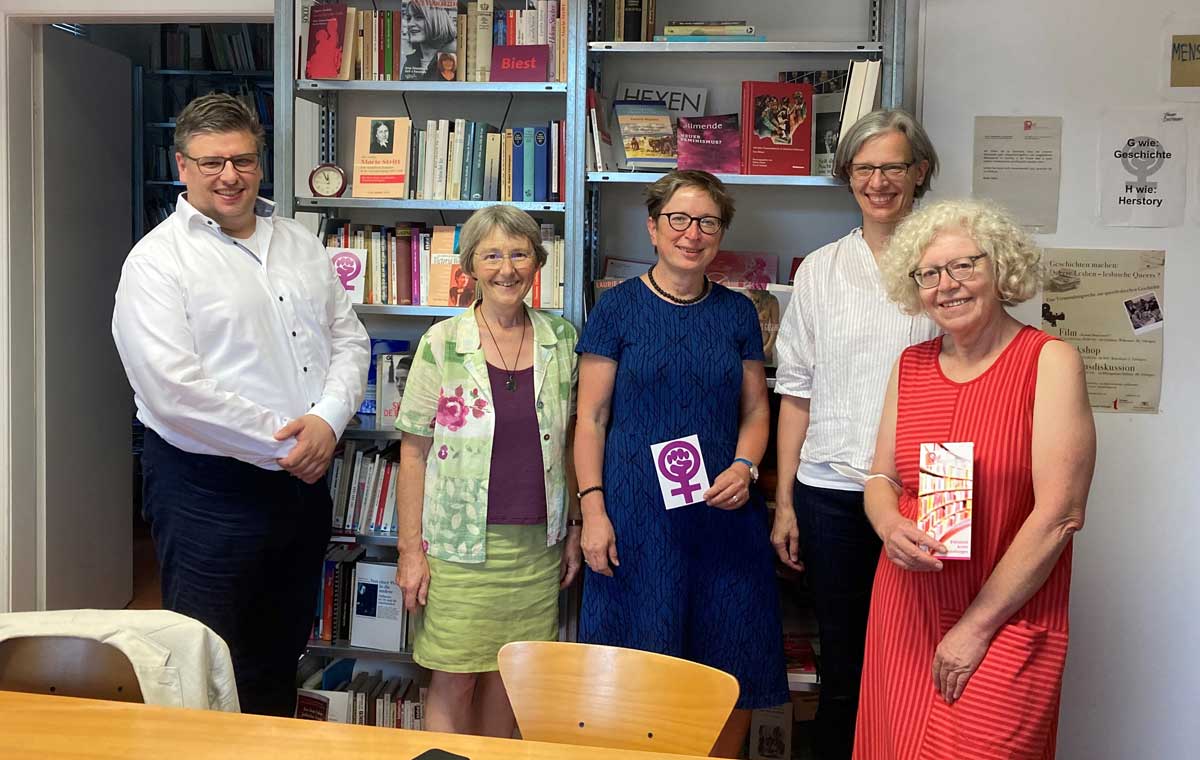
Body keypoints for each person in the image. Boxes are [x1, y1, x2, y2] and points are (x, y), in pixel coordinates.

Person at [111, 93, 370, 716]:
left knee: (281, 652)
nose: (229, 175)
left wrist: (327, 423)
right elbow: (173, 391)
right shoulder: (156, 262)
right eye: (211, 162)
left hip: (301, 487)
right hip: (208, 491)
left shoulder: (301, 243)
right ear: (182, 166)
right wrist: (292, 442)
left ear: (259, 162)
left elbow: (349, 339)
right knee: (205, 660)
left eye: (243, 160)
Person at [855, 199, 1095, 758]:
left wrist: (975, 628)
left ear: (1000, 269)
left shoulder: (1049, 360)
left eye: (965, 265)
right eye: (930, 273)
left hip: (1005, 613)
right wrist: (889, 525)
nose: (948, 284)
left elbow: (1060, 515)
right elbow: (881, 478)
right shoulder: (910, 365)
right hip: (907, 609)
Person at [574, 170, 788, 759]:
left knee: (731, 656)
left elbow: (756, 411)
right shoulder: (616, 309)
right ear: (652, 226)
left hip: (724, 513)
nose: (692, 234)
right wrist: (592, 511)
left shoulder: (738, 314)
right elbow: (590, 419)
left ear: (721, 234)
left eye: (708, 222)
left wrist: (745, 467)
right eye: (679, 219)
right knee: (639, 662)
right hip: (635, 518)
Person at [770, 108, 942, 759]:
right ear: (847, 176)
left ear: (919, 171)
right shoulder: (819, 270)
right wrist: (785, 502)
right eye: (865, 168)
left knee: (925, 655)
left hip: (926, 493)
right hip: (832, 493)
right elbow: (796, 393)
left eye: (893, 166)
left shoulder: (944, 265)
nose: (878, 181)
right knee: (844, 664)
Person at [393, 205, 581, 738]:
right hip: (456, 550)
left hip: (535, 550)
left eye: (519, 254)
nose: (507, 268)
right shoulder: (442, 342)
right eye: (492, 255)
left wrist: (573, 528)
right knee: (453, 681)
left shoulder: (561, 340)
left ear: (537, 263)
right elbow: (413, 450)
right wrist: (410, 551)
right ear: (470, 267)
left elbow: (570, 443)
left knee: (510, 682)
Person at [401, 0, 458, 81]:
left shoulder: (453, 54)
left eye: (419, 17)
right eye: (409, 18)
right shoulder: (411, 60)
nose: (410, 24)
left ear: (436, 19)